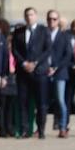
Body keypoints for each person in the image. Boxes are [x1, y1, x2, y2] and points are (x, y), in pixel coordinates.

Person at [12, 7, 50, 139]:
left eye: (32, 15)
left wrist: (35, 63)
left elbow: (47, 49)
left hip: (39, 72)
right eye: (27, 15)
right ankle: (24, 129)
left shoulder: (43, 31)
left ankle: (41, 130)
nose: (29, 17)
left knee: (41, 103)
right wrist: (24, 63)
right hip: (23, 72)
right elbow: (15, 50)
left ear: (36, 16)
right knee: (23, 102)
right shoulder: (18, 32)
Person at [43, 10, 70, 136]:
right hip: (44, 71)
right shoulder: (42, 34)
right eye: (49, 19)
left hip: (59, 73)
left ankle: (63, 127)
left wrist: (55, 67)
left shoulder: (64, 36)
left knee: (60, 101)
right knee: (42, 101)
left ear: (58, 21)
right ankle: (40, 128)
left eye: (54, 19)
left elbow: (67, 54)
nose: (51, 21)